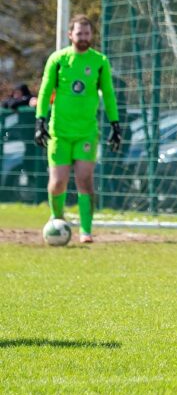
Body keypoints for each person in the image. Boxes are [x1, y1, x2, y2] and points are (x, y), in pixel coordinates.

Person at [34, 14, 122, 244]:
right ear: (70, 35)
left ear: (92, 35)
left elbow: (109, 95)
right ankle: (57, 220)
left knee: (85, 179)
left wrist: (115, 123)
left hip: (86, 132)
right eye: (79, 33)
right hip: (59, 132)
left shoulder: (99, 61)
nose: (83, 37)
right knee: (58, 182)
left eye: (87, 33)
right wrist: (40, 121)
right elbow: (44, 92)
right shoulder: (58, 59)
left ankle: (86, 230)